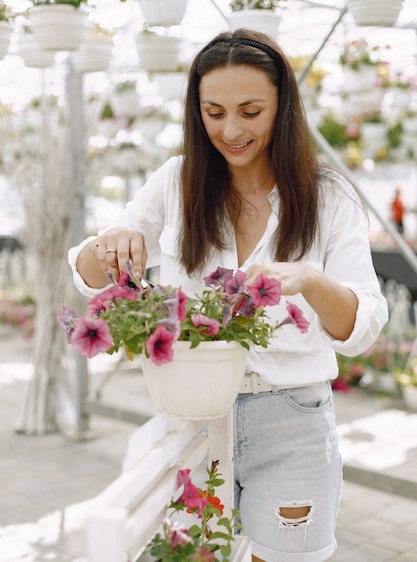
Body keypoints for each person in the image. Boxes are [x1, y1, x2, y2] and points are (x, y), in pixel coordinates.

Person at [69, 29, 388, 562]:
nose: (231, 129)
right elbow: (87, 275)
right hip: (192, 413)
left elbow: (364, 325)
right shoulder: (178, 180)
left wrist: (309, 278)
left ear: (282, 108)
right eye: (214, 113)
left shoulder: (327, 195)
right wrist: (108, 243)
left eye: (250, 110)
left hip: (293, 418)